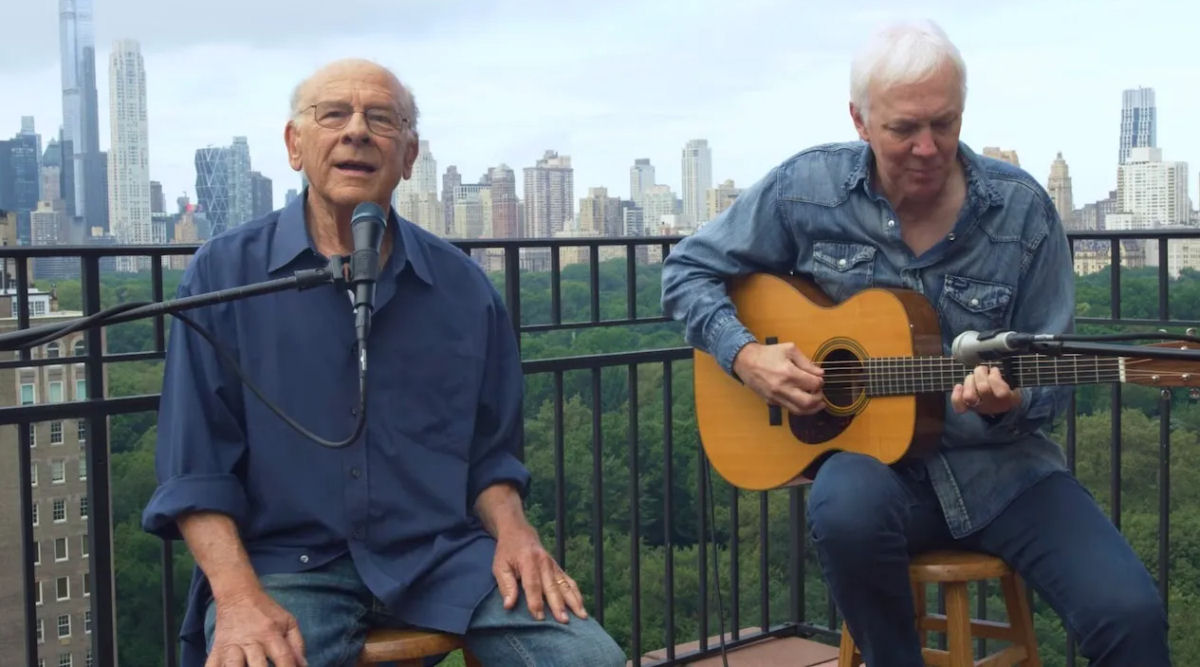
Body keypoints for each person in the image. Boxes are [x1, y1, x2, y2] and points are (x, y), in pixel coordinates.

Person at [661, 20, 1170, 666]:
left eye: (946, 123)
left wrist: (1011, 400)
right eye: (905, 129)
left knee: (1130, 615)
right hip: (880, 484)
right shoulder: (807, 191)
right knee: (842, 498)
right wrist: (745, 354)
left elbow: (1055, 379)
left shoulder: (1022, 212)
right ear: (860, 120)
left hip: (1007, 474)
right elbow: (685, 271)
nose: (929, 148)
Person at [142, 58, 625, 667]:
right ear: (295, 145)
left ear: (409, 155)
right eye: (333, 114)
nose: (357, 131)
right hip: (286, 567)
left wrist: (515, 532)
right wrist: (236, 596)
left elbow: (490, 455)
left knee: (589, 658)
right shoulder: (223, 275)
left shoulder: (464, 287)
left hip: (440, 555)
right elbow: (195, 468)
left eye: (381, 118)